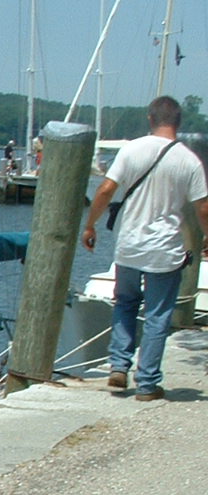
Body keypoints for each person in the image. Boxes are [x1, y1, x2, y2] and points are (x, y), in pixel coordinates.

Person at [81, 95, 208, 401]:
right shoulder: (190, 161)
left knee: (125, 303)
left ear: (150, 119)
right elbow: (203, 207)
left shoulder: (131, 149)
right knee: (158, 314)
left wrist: (90, 224)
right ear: (178, 122)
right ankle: (148, 383)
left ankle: (119, 366)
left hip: (129, 245)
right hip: (165, 249)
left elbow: (106, 189)